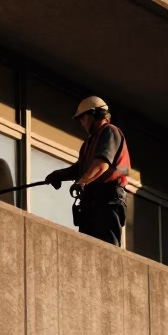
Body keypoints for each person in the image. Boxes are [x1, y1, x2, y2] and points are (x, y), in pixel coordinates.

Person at [45, 97, 130, 246]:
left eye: (83, 118)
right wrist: (58, 175)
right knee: (87, 247)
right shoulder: (89, 143)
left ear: (95, 114)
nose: (81, 123)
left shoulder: (110, 132)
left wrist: (82, 182)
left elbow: (102, 164)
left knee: (107, 247)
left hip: (108, 198)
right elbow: (80, 170)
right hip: (92, 200)